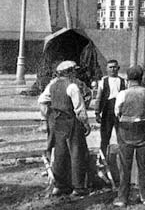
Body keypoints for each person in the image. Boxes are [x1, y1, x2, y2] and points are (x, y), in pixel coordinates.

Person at [38, 61, 91, 196]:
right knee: (77, 152)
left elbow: (42, 101)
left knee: (60, 152)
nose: (75, 73)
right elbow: (79, 109)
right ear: (69, 72)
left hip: (58, 122)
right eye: (73, 70)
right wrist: (86, 124)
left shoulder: (52, 85)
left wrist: (48, 115)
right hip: (71, 121)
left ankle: (60, 185)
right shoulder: (72, 86)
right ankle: (78, 187)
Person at [112, 66, 145, 207]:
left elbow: (117, 112)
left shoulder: (122, 94)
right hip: (143, 129)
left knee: (125, 165)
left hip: (126, 129)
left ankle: (122, 198)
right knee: (143, 164)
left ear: (127, 79)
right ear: (142, 77)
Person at [95, 60, 126, 157]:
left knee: (121, 137)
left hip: (119, 111)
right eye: (110, 67)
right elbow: (99, 97)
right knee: (105, 137)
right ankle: (102, 158)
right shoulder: (103, 81)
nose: (113, 69)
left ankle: (122, 159)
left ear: (118, 68)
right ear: (107, 69)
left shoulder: (123, 81)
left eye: (114, 67)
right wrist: (97, 112)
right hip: (107, 110)